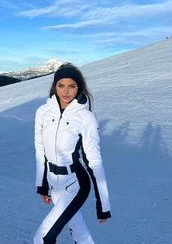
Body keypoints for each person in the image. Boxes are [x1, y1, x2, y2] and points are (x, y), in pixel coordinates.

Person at [34, 63, 111, 244]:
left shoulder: (85, 117)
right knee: (78, 229)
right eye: (61, 85)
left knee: (42, 237)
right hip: (54, 184)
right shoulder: (43, 112)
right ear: (55, 86)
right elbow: (40, 150)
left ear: (79, 87)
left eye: (72, 86)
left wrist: (103, 204)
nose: (66, 91)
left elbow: (94, 161)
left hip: (75, 184)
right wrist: (42, 184)